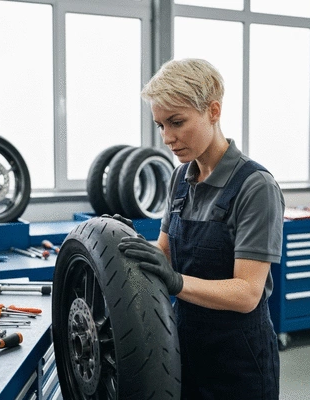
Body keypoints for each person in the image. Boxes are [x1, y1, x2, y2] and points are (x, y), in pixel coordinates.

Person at [117, 58, 285, 399]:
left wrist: (176, 282)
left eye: (177, 122)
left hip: (238, 361)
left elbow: (247, 294)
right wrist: (121, 242)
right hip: (183, 346)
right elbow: (163, 252)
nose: (167, 137)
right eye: (161, 125)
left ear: (213, 110)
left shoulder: (255, 187)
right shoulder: (181, 177)